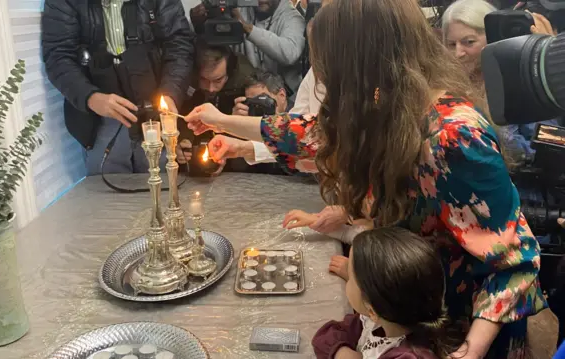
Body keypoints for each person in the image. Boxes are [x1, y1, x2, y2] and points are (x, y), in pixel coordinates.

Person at [184, 0, 548, 357]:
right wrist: (222, 121)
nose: (322, 77)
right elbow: (314, 134)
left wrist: (471, 349)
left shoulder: (454, 138)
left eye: (327, 64)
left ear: (361, 62)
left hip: (457, 328)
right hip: (406, 318)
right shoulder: (383, 104)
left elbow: (515, 261)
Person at [42, 0, 194, 175]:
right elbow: (57, 57)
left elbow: (180, 45)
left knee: (167, 190)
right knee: (107, 198)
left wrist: (171, 92)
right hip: (101, 121)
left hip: (156, 116)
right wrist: (90, 97)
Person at [312, 227, 464, 359]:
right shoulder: (377, 321)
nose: (347, 278)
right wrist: (342, 353)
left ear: (371, 309)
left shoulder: (410, 355)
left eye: (350, 277)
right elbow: (327, 336)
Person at [442, 0, 560, 164]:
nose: (458, 53)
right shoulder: (444, 88)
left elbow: (547, 147)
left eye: (469, 42)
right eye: (451, 44)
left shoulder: (522, 81)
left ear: (492, 39)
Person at [190, 0, 305, 95]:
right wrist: (199, 27)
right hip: (243, 91)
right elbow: (217, 48)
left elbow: (290, 53)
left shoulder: (292, 17)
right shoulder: (237, 8)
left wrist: (247, 28)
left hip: (282, 96)